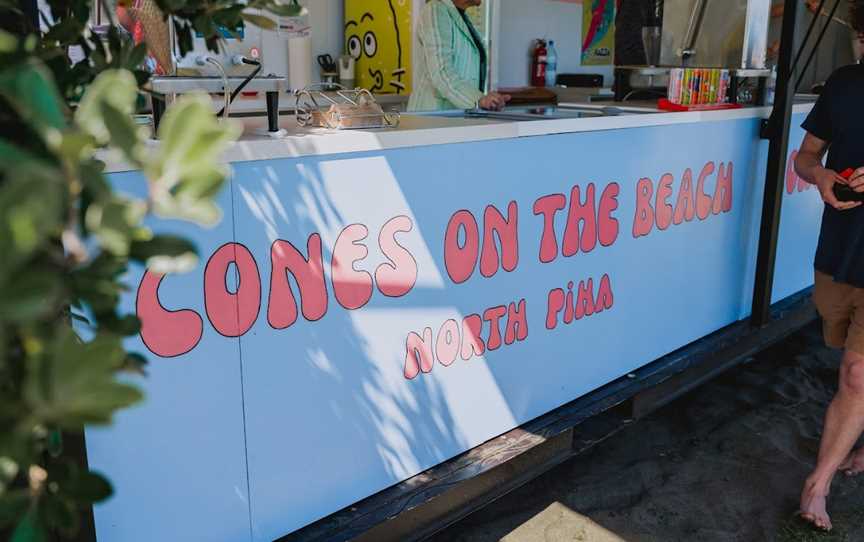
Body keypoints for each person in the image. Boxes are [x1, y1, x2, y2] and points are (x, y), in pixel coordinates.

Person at [794, 0, 864, 531]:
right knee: (849, 359)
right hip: (841, 249)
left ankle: (816, 486)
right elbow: (805, 155)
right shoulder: (844, 83)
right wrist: (818, 177)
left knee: (857, 374)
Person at [408, 0, 510, 111]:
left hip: (454, 118)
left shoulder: (462, 17)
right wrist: (479, 100)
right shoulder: (435, 10)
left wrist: (489, 100)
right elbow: (442, 73)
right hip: (431, 119)